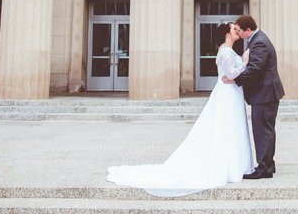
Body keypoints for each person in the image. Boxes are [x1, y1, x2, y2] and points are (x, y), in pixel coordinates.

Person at [106, 22, 254, 197]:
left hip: (229, 93)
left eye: (237, 28)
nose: (237, 30)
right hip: (228, 94)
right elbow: (230, 75)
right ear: (226, 33)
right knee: (228, 127)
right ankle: (230, 165)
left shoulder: (225, 49)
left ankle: (234, 162)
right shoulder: (227, 52)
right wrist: (245, 63)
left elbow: (228, 75)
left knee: (229, 127)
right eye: (234, 28)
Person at [222, 14, 284, 179]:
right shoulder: (256, 40)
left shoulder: (260, 42)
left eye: (240, 30)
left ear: (248, 30)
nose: (239, 33)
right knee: (265, 130)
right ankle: (267, 164)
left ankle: (264, 169)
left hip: (265, 94)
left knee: (263, 131)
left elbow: (256, 69)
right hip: (264, 93)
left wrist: (234, 79)